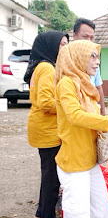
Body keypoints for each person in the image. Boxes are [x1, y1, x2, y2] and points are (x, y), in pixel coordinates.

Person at [54, 40, 108, 217]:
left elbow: (96, 122)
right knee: (79, 213)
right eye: (92, 56)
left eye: (98, 57)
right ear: (77, 58)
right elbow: (76, 116)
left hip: (90, 161)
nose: (97, 61)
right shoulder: (67, 84)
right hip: (74, 163)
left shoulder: (86, 86)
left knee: (102, 212)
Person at [24, 30, 69, 218]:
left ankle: (42, 211)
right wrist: (69, 106)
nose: (66, 48)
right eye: (62, 44)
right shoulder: (47, 68)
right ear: (51, 45)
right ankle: (45, 213)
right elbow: (45, 102)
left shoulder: (45, 66)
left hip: (44, 128)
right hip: (47, 131)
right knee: (51, 177)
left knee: (49, 175)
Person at [73, 18, 106, 115]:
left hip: (92, 114)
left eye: (92, 38)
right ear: (74, 36)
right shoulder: (67, 62)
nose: (89, 41)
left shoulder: (93, 62)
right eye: (85, 37)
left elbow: (98, 87)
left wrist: (103, 113)